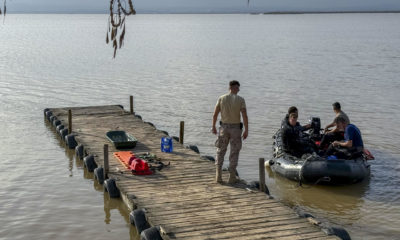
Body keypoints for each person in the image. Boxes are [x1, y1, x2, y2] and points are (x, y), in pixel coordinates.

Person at [212, 80, 248, 184]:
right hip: (236, 129)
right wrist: (246, 129)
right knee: (234, 152)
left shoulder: (221, 98)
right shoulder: (240, 99)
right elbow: (244, 115)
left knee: (220, 151)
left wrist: (213, 126)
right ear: (232, 88)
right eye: (237, 88)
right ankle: (232, 176)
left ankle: (218, 175)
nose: (239, 90)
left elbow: (215, 114)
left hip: (224, 127)